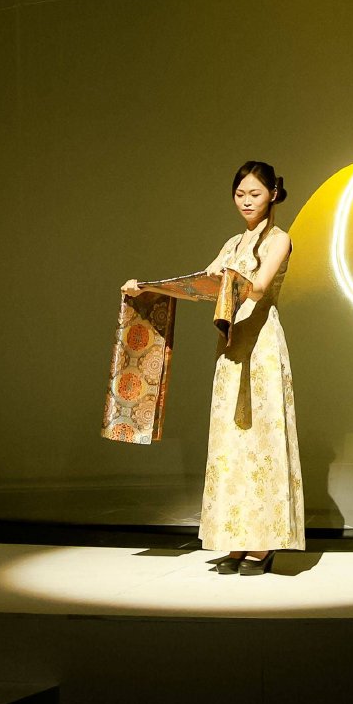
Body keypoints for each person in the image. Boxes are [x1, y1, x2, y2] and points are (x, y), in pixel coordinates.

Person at [125, 162, 304, 576]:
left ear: (273, 194)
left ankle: (262, 544)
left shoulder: (279, 239)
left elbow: (258, 287)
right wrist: (147, 287)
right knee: (231, 444)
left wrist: (227, 278)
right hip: (230, 347)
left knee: (261, 440)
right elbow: (201, 285)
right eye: (240, 194)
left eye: (255, 194)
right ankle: (236, 541)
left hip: (260, 346)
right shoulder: (232, 243)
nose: (246, 201)